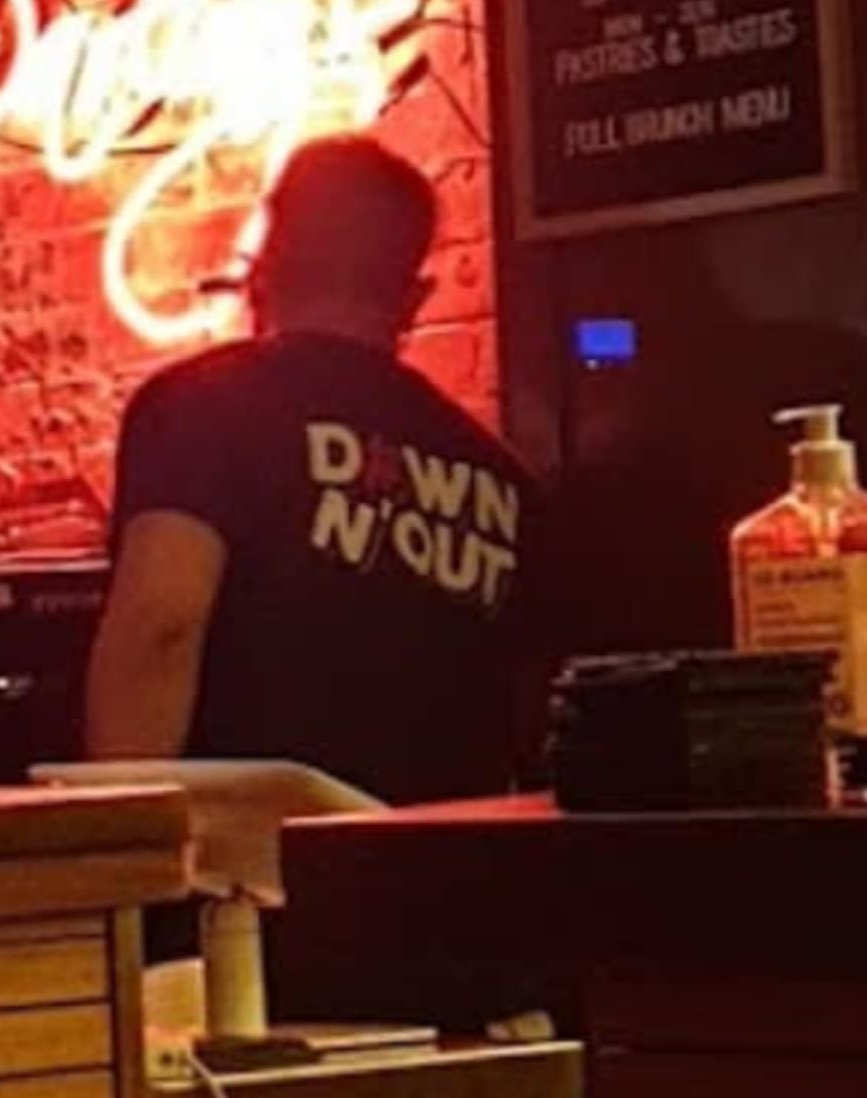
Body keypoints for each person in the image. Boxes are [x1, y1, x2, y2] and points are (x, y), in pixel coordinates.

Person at [81, 132, 541, 801]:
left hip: (252, 878)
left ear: (266, 261)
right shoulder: (503, 482)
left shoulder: (197, 409)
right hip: (443, 876)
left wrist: (123, 847)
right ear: (414, 297)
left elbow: (162, 625)